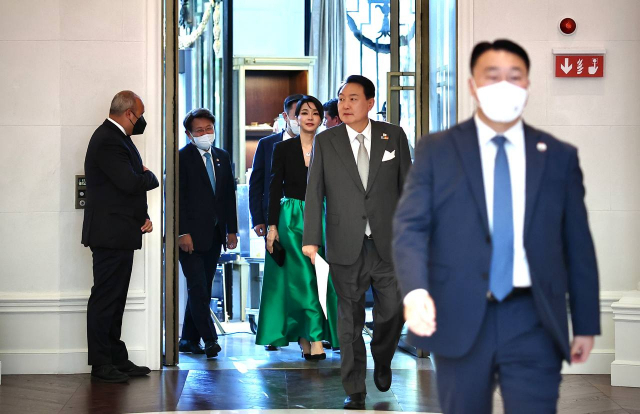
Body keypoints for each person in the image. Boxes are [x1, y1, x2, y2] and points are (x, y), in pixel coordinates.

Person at [393, 39, 600, 414]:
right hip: (458, 313)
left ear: (528, 85)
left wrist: (586, 322)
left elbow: (578, 244)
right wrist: (415, 290)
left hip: (534, 317)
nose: (505, 85)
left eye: (514, 76)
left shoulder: (558, 156)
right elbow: (411, 227)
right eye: (492, 76)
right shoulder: (437, 150)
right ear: (472, 86)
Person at [302, 75, 412, 409]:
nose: (345, 105)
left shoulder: (393, 135)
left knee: (392, 311)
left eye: (352, 98)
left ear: (370, 102)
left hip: (388, 243)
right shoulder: (326, 141)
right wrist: (311, 239)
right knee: (348, 320)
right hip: (344, 242)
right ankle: (355, 388)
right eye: (341, 99)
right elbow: (314, 191)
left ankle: (382, 357)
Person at [82, 90, 159, 383]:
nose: (142, 121)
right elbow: (129, 182)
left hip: (120, 232)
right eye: (140, 115)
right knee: (106, 299)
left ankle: (116, 358)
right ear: (129, 113)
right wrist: (149, 176)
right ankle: (101, 364)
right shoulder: (108, 140)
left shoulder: (119, 139)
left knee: (115, 299)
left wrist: (143, 217)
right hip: (109, 234)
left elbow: (125, 189)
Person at [255, 95, 339, 358]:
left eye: (315, 112)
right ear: (295, 117)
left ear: (321, 118)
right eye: (304, 112)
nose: (310, 117)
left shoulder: (331, 146)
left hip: (323, 216)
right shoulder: (283, 148)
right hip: (291, 218)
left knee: (322, 277)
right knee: (302, 278)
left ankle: (307, 335)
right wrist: (272, 227)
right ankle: (314, 338)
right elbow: (272, 189)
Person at [177, 108, 238, 358]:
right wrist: (181, 232)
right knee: (198, 288)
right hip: (189, 237)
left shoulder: (222, 156)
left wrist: (231, 230)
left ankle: (188, 339)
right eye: (199, 130)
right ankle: (210, 339)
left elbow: (228, 197)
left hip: (215, 234)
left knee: (201, 287)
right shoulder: (181, 158)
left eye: (209, 129)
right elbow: (177, 199)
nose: (205, 134)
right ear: (189, 134)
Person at [249, 93, 303, 351]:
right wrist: (258, 218)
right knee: (277, 276)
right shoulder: (268, 144)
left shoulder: (320, 144)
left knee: (307, 277)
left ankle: (309, 332)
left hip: (306, 219)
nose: (301, 120)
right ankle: (275, 332)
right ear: (285, 116)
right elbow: (257, 183)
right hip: (275, 220)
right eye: (297, 115)